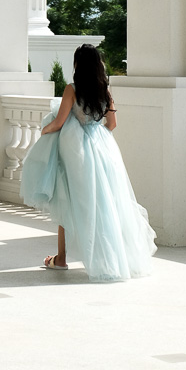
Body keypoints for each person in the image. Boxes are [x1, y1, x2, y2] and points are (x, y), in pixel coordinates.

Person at [20, 43, 156, 281]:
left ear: (77, 65)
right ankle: (117, 258)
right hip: (104, 149)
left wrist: (44, 130)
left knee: (67, 198)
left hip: (77, 151)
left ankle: (61, 259)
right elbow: (112, 125)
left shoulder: (72, 89)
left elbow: (60, 122)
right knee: (108, 203)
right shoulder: (105, 91)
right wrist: (97, 135)